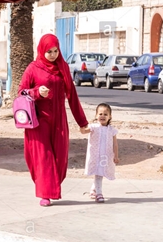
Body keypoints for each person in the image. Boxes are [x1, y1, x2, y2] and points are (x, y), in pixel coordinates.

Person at [18, 34, 90, 206]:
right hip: (39, 120)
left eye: (55, 51)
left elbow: (72, 96)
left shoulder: (63, 67)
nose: (52, 54)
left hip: (59, 119)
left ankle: (51, 187)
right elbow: (21, 92)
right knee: (44, 156)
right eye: (48, 51)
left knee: (59, 156)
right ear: (42, 50)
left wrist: (82, 122)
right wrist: (36, 92)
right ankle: (45, 193)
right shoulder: (33, 68)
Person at [84, 103, 119, 203]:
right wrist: (81, 126)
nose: (102, 116)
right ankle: (98, 193)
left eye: (105, 114)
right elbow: (84, 131)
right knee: (98, 173)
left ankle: (95, 190)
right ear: (96, 115)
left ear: (110, 116)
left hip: (105, 157)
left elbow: (115, 144)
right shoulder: (93, 127)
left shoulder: (112, 130)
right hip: (95, 156)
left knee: (100, 173)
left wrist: (116, 156)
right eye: (100, 114)